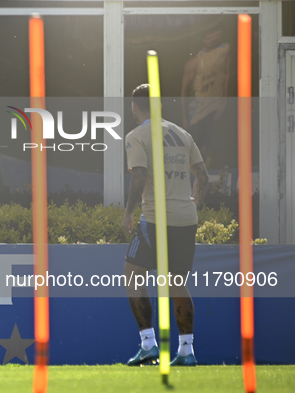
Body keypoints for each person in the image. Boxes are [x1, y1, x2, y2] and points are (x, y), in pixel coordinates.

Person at [121, 84, 209, 367]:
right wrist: (193, 203)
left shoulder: (136, 136)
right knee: (177, 283)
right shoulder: (183, 134)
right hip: (186, 220)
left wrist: (127, 212)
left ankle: (148, 344)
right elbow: (203, 175)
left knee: (133, 276)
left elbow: (139, 176)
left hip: (155, 219)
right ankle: (186, 351)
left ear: (135, 107)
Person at [181, 24, 231, 162]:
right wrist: (185, 119)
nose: (214, 39)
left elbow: (227, 75)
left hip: (217, 108)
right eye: (210, 37)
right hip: (198, 111)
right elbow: (184, 91)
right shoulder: (194, 62)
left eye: (217, 35)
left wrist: (224, 102)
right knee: (198, 149)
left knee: (211, 147)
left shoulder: (225, 51)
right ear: (203, 39)